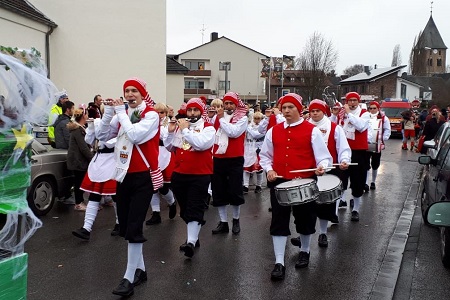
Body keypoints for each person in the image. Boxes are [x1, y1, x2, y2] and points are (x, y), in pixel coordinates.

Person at [98, 77, 161, 297]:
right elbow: (102, 136)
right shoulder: (122, 114)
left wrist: (120, 112)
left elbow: (134, 135)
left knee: (134, 226)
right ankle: (140, 270)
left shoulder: (151, 115)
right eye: (127, 91)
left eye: (134, 91)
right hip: (123, 176)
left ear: (143, 94)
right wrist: (108, 113)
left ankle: (128, 278)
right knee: (125, 226)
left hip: (143, 177)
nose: (130, 94)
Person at [259, 93, 332, 281]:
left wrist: (322, 166)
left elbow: (323, 156)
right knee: (279, 221)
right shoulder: (273, 131)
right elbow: (265, 156)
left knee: (305, 219)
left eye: (291, 107)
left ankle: (305, 250)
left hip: (305, 182)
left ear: (299, 109)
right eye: (284, 107)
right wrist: (269, 169)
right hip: (280, 182)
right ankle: (279, 262)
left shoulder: (312, 130)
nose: (286, 110)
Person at [163, 98, 215, 258]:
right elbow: (169, 147)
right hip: (180, 173)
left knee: (195, 206)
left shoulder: (209, 128)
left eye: (195, 110)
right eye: (190, 110)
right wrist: (171, 132)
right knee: (185, 209)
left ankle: (191, 242)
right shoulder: (181, 127)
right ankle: (194, 234)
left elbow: (201, 145)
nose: (192, 113)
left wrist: (185, 130)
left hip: (200, 174)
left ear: (201, 112)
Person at [72, 117, 119, 240]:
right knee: (94, 195)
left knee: (116, 196)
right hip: (98, 162)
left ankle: (120, 223)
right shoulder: (99, 123)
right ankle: (86, 228)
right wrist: (92, 127)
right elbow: (89, 140)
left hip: (112, 162)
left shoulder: (118, 124)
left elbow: (109, 140)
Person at [211, 92, 248, 235]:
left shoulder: (242, 118)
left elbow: (234, 133)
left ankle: (236, 219)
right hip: (219, 157)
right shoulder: (217, 117)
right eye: (226, 103)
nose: (228, 106)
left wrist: (221, 119)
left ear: (236, 104)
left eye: (231, 103)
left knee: (235, 190)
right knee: (219, 190)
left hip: (235, 158)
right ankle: (223, 222)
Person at [336, 92, 370, 221]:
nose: (352, 103)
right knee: (341, 179)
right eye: (350, 100)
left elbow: (361, 126)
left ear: (358, 101)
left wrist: (349, 113)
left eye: (355, 100)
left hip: (359, 152)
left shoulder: (364, 113)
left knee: (358, 181)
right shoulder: (342, 114)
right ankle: (341, 202)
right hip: (344, 150)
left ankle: (355, 209)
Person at [145, 103, 177, 225]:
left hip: (165, 154)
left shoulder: (168, 124)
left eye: (161, 113)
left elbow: (166, 138)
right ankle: (156, 213)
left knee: (163, 186)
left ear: (166, 113)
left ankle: (172, 202)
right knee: (153, 186)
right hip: (153, 154)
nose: (159, 115)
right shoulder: (151, 122)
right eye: (157, 112)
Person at [67, 107, 93, 211]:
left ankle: (80, 201)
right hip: (78, 161)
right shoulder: (78, 130)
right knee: (79, 182)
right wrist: (92, 159)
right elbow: (83, 148)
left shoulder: (80, 128)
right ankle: (78, 203)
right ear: (83, 116)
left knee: (80, 181)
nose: (87, 116)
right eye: (86, 114)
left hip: (79, 160)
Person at [365, 101, 391, 190]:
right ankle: (366, 183)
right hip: (366, 144)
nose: (372, 110)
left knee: (375, 164)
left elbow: (387, 130)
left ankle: (373, 181)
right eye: (370, 108)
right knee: (366, 164)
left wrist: (381, 139)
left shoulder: (384, 118)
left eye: (374, 108)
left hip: (377, 145)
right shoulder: (365, 117)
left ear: (378, 108)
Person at [243, 112, 265, 193]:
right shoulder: (250, 126)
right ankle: (245, 186)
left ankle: (259, 186)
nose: (256, 120)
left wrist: (248, 128)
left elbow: (256, 135)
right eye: (255, 118)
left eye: (258, 118)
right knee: (246, 168)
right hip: (248, 148)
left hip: (258, 148)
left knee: (259, 169)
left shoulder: (263, 128)